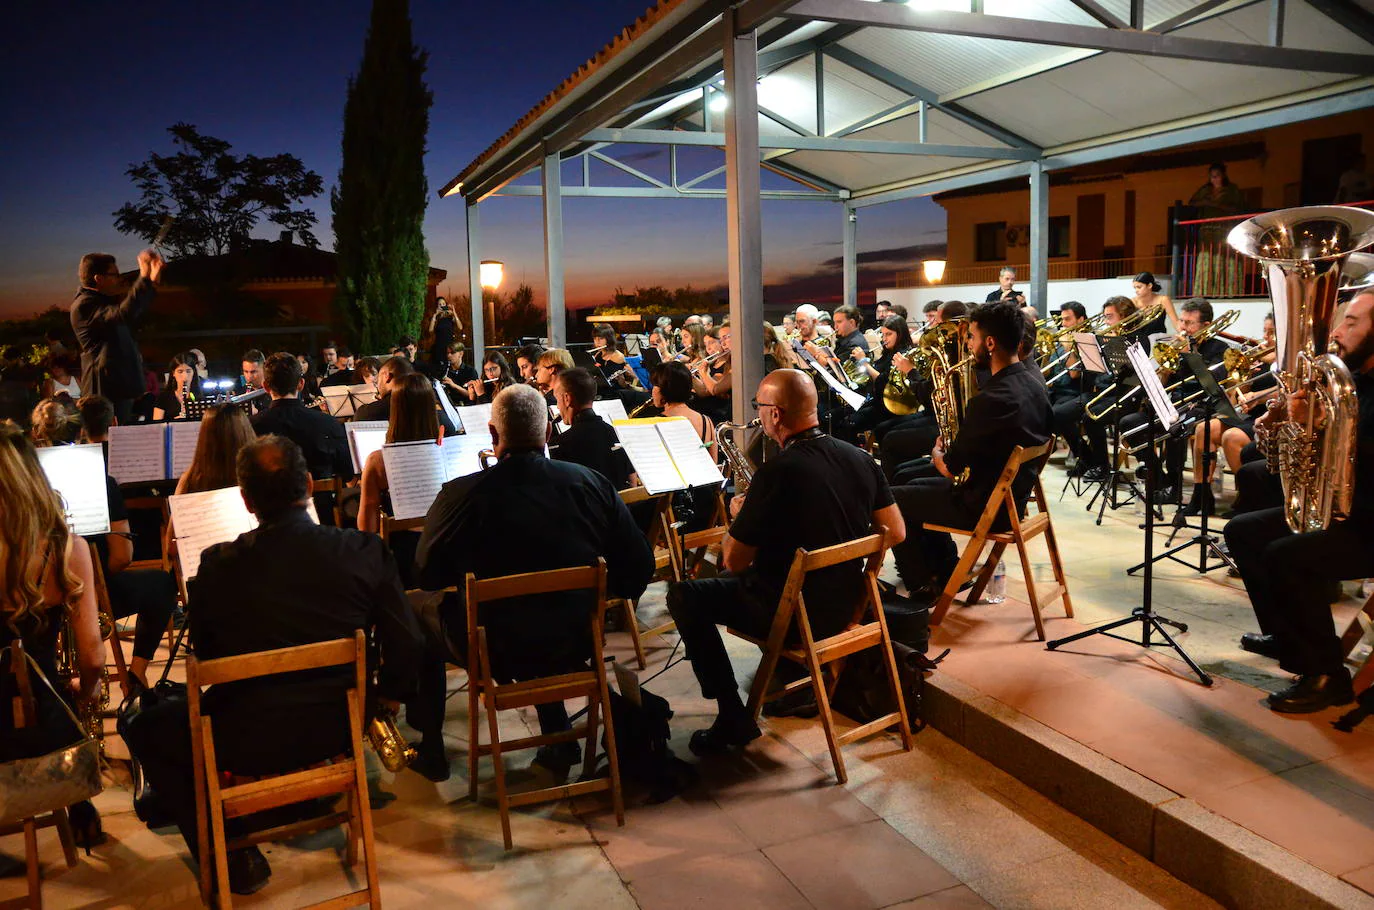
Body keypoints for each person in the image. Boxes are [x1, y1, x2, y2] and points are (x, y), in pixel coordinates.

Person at [122, 435, 422, 894]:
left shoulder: (216, 566)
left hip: (242, 739)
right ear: (308, 484)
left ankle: (228, 852)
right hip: (340, 727)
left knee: (144, 726)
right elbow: (407, 643)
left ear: (245, 500)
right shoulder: (363, 551)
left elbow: (209, 655)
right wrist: (385, 699)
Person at [410, 384, 653, 774]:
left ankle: (432, 748)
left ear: (493, 434)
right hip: (574, 641)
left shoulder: (460, 494)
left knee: (415, 611)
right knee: (544, 604)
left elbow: (427, 574)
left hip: (494, 648)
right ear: (547, 434)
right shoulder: (590, 484)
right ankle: (556, 734)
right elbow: (639, 570)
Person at [665, 369, 905, 753]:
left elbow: (734, 560)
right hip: (846, 607)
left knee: (684, 595)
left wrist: (741, 515)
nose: (757, 414)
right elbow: (895, 531)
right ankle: (792, 678)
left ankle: (732, 714)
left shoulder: (778, 471)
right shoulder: (859, 457)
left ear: (775, 415)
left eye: (759, 407)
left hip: (795, 616)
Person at [1223, 288, 1374, 714]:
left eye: (1352, 322)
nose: (1339, 330)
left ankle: (1327, 676)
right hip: (1345, 511)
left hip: (1368, 521)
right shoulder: (1354, 381)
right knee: (1243, 530)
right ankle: (1287, 637)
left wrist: (1329, 429)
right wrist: (1289, 418)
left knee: (1288, 555)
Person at [888, 302, 1053, 599]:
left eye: (971, 338)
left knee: (895, 497)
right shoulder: (1034, 383)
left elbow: (949, 468)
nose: (968, 345)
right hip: (1009, 499)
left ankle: (921, 585)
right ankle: (947, 568)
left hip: (985, 507)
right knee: (908, 481)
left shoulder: (991, 398)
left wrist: (938, 452)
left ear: (990, 343)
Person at [0, 425, 107, 848]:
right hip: (41, 723)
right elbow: (94, 659)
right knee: (63, 697)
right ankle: (80, 808)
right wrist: (86, 692)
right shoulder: (65, 548)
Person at [70, 249, 163, 425]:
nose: (119, 278)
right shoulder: (85, 305)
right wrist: (143, 276)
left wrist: (151, 281)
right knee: (112, 444)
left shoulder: (99, 301)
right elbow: (123, 314)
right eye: (114, 274)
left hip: (116, 387)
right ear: (99, 278)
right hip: (105, 390)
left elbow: (131, 311)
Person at [251, 352, 352, 503]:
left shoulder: (253, 425)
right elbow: (347, 473)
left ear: (265, 386)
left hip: (273, 512)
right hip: (322, 512)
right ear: (301, 384)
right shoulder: (328, 422)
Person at [1047, 302, 1106, 481]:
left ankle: (1087, 458)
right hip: (1057, 390)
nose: (1063, 324)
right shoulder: (1064, 336)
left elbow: (1074, 374)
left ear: (1080, 319)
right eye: (1062, 319)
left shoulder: (1087, 340)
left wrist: (1068, 348)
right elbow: (1049, 369)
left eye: (1067, 319)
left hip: (1074, 391)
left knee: (1056, 414)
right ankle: (1084, 458)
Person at [550, 367, 632, 489]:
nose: (558, 406)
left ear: (567, 399)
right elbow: (631, 482)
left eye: (557, 400)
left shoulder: (559, 445)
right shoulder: (617, 435)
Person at [1188, 163, 1247, 297]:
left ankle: (1228, 292)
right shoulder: (1205, 190)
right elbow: (1192, 202)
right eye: (1212, 176)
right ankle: (1206, 292)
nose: (1214, 179)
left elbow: (1238, 208)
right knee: (1207, 261)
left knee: (1225, 259)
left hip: (1224, 229)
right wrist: (1205, 202)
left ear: (1223, 176)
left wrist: (1216, 204)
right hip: (1208, 231)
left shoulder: (1232, 190)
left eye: (1217, 176)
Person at [152, 353, 198, 421]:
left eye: (188, 371)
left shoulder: (200, 395)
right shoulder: (163, 398)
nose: (184, 377)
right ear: (173, 373)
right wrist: (175, 422)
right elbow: (156, 425)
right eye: (180, 371)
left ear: (193, 373)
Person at [236, 349, 268, 415]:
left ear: (264, 369)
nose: (249, 376)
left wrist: (257, 414)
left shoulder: (273, 392)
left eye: (253, 372)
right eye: (246, 371)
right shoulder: (240, 393)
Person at [428, 297, 457, 365]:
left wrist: (454, 312)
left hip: (450, 347)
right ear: (437, 306)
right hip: (439, 347)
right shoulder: (436, 318)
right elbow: (430, 330)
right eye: (439, 304)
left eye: (443, 304)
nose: (442, 306)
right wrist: (435, 315)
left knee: (450, 367)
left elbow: (460, 327)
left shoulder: (450, 317)